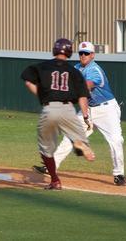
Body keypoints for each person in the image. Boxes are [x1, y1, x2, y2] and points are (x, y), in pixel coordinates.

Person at [32, 41, 126, 186]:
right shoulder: (76, 68)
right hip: (87, 109)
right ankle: (51, 167)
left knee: (115, 140)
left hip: (106, 110)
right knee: (70, 137)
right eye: (81, 53)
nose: (83, 56)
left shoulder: (95, 70)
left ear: (92, 55)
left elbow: (86, 86)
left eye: (86, 53)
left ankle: (119, 175)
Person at [21, 38, 96, 190]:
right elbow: (82, 96)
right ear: (69, 52)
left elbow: (28, 80)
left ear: (55, 50)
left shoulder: (42, 67)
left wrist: (41, 95)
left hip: (49, 108)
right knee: (80, 137)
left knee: (46, 149)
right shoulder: (75, 72)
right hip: (68, 109)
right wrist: (86, 116)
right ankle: (79, 142)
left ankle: (55, 180)